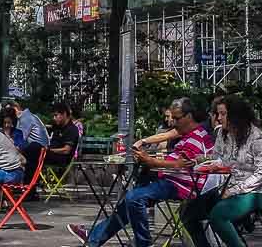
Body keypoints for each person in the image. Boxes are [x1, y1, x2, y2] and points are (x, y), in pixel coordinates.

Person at [67, 97, 214, 247]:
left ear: (188, 116)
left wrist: (151, 161)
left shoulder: (197, 137)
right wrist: (144, 147)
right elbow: (168, 140)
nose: (173, 122)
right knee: (129, 203)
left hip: (180, 185)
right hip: (170, 178)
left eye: (176, 118)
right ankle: (94, 238)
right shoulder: (187, 131)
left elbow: (181, 165)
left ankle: (143, 243)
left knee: (134, 198)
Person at [182, 95, 262, 247]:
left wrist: (234, 191)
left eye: (223, 114)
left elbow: (261, 174)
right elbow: (217, 158)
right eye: (217, 114)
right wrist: (197, 160)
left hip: (257, 191)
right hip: (226, 187)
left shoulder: (257, 137)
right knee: (188, 213)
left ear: (236, 115)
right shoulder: (222, 134)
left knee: (219, 215)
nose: (218, 118)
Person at [15, 98, 50, 186]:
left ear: (15, 108)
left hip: (39, 151)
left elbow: (20, 139)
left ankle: (25, 187)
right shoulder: (30, 116)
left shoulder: (25, 118)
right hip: (39, 149)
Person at [46, 102, 80, 172]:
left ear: (64, 114)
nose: (54, 118)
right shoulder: (58, 127)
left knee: (34, 153)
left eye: (56, 115)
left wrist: (48, 150)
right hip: (51, 155)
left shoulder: (72, 129)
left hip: (61, 159)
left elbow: (66, 150)